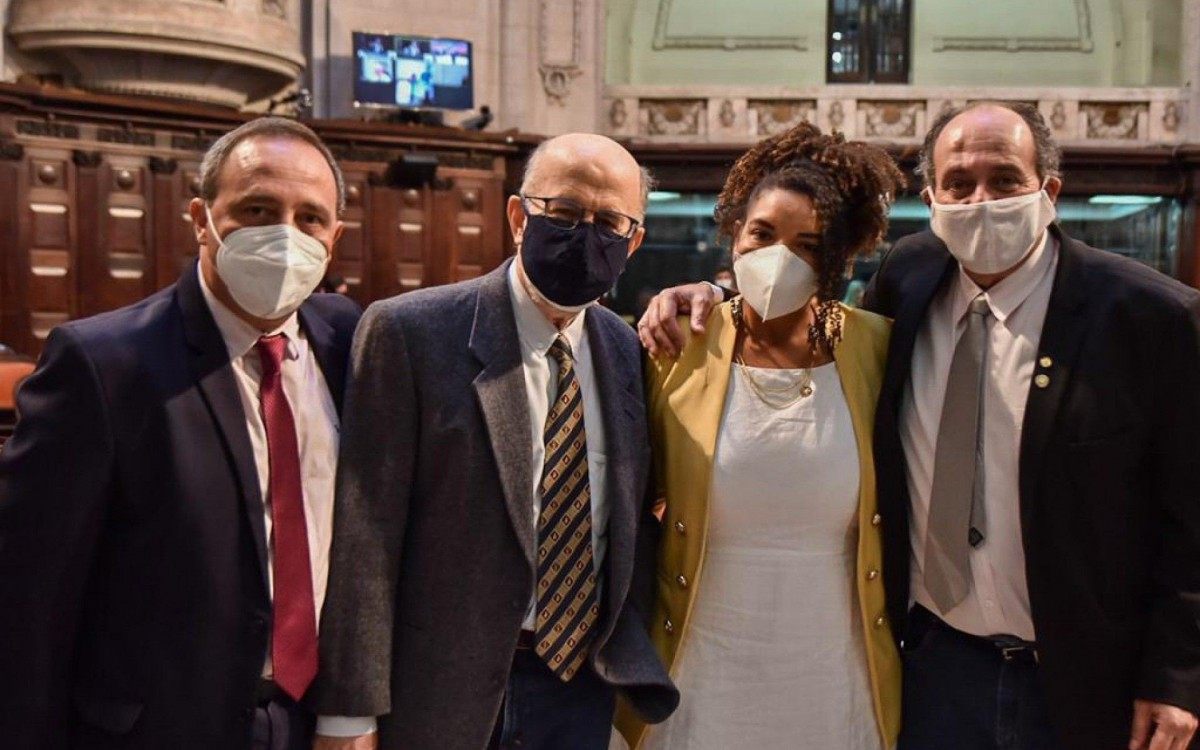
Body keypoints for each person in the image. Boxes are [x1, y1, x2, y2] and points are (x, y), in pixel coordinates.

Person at [635, 101, 1200, 750]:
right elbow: (794, 335)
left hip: (1085, 675)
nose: (980, 199)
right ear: (931, 198)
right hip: (934, 665)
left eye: (1005, 179)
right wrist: (703, 296)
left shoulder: (1151, 318)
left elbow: (1189, 517)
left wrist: (1179, 675)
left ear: (1049, 191)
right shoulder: (908, 285)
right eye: (959, 183)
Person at [0, 117, 360, 750]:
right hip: (157, 728)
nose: (285, 233)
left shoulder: (348, 341)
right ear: (201, 218)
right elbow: (27, 595)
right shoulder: (104, 364)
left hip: (313, 721)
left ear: (334, 239)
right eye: (257, 208)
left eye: (309, 217)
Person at [311, 133, 678, 750]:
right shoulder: (410, 331)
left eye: (609, 222)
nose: (585, 235)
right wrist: (350, 714)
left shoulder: (626, 349)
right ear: (518, 217)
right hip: (439, 689)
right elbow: (364, 536)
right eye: (562, 214)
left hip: (577, 684)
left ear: (634, 240)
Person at [613, 123, 905, 750]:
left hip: (834, 667)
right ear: (735, 234)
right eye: (764, 234)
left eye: (809, 246)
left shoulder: (878, 350)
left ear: (840, 258)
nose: (780, 259)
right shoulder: (676, 343)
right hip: (700, 659)